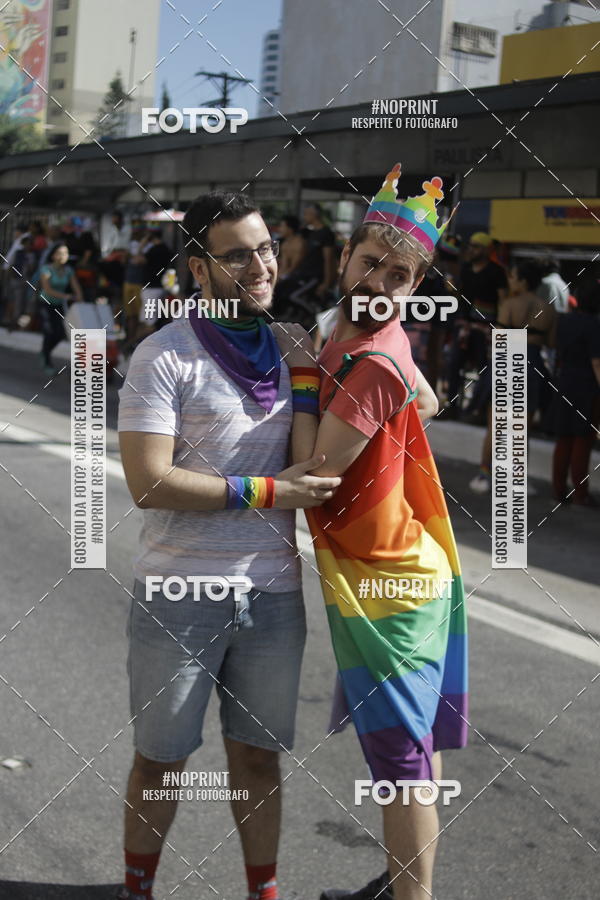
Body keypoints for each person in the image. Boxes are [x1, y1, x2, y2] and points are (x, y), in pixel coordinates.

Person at [116, 191, 341, 900]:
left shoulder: (291, 347)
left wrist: (308, 374)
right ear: (198, 267)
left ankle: (263, 891)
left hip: (273, 594)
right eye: (237, 254)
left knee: (258, 759)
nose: (260, 264)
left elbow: (328, 454)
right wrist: (270, 492)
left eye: (266, 248)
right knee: (160, 761)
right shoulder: (163, 355)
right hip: (178, 594)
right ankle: (137, 887)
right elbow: (149, 483)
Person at [281, 165, 468, 900]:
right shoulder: (367, 334)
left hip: (388, 587)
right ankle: (401, 885)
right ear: (346, 259)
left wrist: (300, 377)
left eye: (400, 273)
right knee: (413, 750)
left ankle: (410, 896)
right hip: (393, 568)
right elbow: (425, 395)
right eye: (371, 263)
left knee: (399, 766)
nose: (381, 280)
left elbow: (311, 476)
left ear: (415, 286)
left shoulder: (372, 358)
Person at [469, 259, 556, 495]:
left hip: (508, 358)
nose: (510, 280)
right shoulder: (548, 308)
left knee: (494, 425)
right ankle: (517, 480)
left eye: (513, 276)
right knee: (521, 428)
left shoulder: (509, 304)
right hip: (533, 363)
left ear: (524, 281)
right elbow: (551, 342)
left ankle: (484, 475)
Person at [548, 277, 600, 506]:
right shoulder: (595, 325)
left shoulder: (564, 321)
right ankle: (581, 492)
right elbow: (597, 363)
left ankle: (559, 490)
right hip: (587, 386)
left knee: (564, 437)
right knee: (582, 440)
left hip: (565, 381)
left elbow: (554, 346)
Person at [445, 231, 508, 419]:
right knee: (453, 365)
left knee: (485, 369)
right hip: (464, 326)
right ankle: (452, 405)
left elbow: (503, 300)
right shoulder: (465, 269)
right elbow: (460, 295)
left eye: (476, 246)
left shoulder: (497, 272)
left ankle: (478, 411)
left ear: (487, 250)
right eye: (470, 246)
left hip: (486, 329)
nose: (471, 250)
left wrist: (501, 326)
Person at [38, 242, 83, 375]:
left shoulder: (68, 270)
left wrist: (80, 297)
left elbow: (76, 287)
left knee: (60, 333)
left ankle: (45, 352)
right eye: (61, 253)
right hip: (46, 303)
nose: (64, 256)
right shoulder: (46, 269)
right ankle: (46, 360)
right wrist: (67, 296)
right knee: (49, 331)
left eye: (66, 253)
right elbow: (47, 289)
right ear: (53, 255)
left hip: (60, 305)